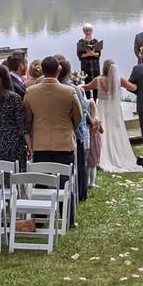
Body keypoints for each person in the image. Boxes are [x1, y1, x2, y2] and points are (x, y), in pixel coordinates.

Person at [83, 59, 143, 172]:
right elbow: (133, 88)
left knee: (102, 130)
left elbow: (86, 87)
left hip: (101, 108)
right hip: (114, 110)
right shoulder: (119, 80)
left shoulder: (98, 80)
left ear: (104, 68)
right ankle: (116, 152)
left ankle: (101, 155)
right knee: (115, 130)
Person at [23, 56, 83, 167]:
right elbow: (78, 116)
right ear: (58, 70)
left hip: (40, 144)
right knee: (64, 181)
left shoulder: (30, 92)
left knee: (42, 181)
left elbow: (27, 119)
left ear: (42, 70)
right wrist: (70, 127)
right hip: (64, 143)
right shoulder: (69, 92)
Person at [58, 54, 91, 201]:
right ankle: (81, 192)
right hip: (73, 132)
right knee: (78, 165)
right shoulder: (72, 89)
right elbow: (82, 109)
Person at [77, 23, 103, 99]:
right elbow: (79, 55)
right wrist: (88, 54)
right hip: (86, 67)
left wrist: (93, 53)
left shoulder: (95, 41)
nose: (88, 32)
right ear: (84, 32)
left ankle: (95, 100)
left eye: (89, 30)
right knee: (87, 83)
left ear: (92, 31)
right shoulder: (80, 42)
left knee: (96, 84)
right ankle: (88, 100)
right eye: (86, 31)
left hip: (95, 67)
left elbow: (99, 54)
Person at [86, 99, 103, 188]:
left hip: (88, 142)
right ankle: (92, 183)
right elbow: (102, 130)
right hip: (96, 143)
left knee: (87, 165)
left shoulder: (87, 121)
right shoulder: (97, 120)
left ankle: (87, 181)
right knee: (93, 165)